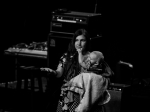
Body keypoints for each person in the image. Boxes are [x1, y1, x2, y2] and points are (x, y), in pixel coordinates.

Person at [41, 29, 113, 112]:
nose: (79, 44)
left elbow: (94, 76)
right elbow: (59, 73)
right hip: (67, 92)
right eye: (77, 40)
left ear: (87, 42)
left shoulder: (92, 57)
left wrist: (80, 54)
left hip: (81, 94)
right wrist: (52, 72)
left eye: (82, 40)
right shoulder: (67, 56)